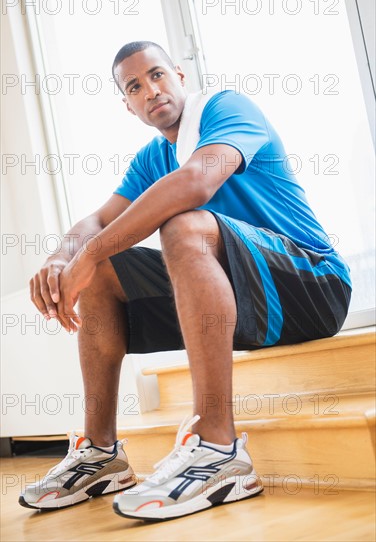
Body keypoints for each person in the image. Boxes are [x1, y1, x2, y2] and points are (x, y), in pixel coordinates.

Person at [20, 41, 351, 520]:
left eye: (157, 75)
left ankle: (220, 450)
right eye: (134, 86)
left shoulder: (226, 109)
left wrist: (88, 254)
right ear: (127, 104)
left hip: (312, 286)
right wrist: (60, 257)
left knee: (181, 224)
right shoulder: (153, 157)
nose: (150, 90)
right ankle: (101, 452)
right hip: (243, 303)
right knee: (103, 273)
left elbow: (197, 181)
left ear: (178, 75)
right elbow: (97, 220)